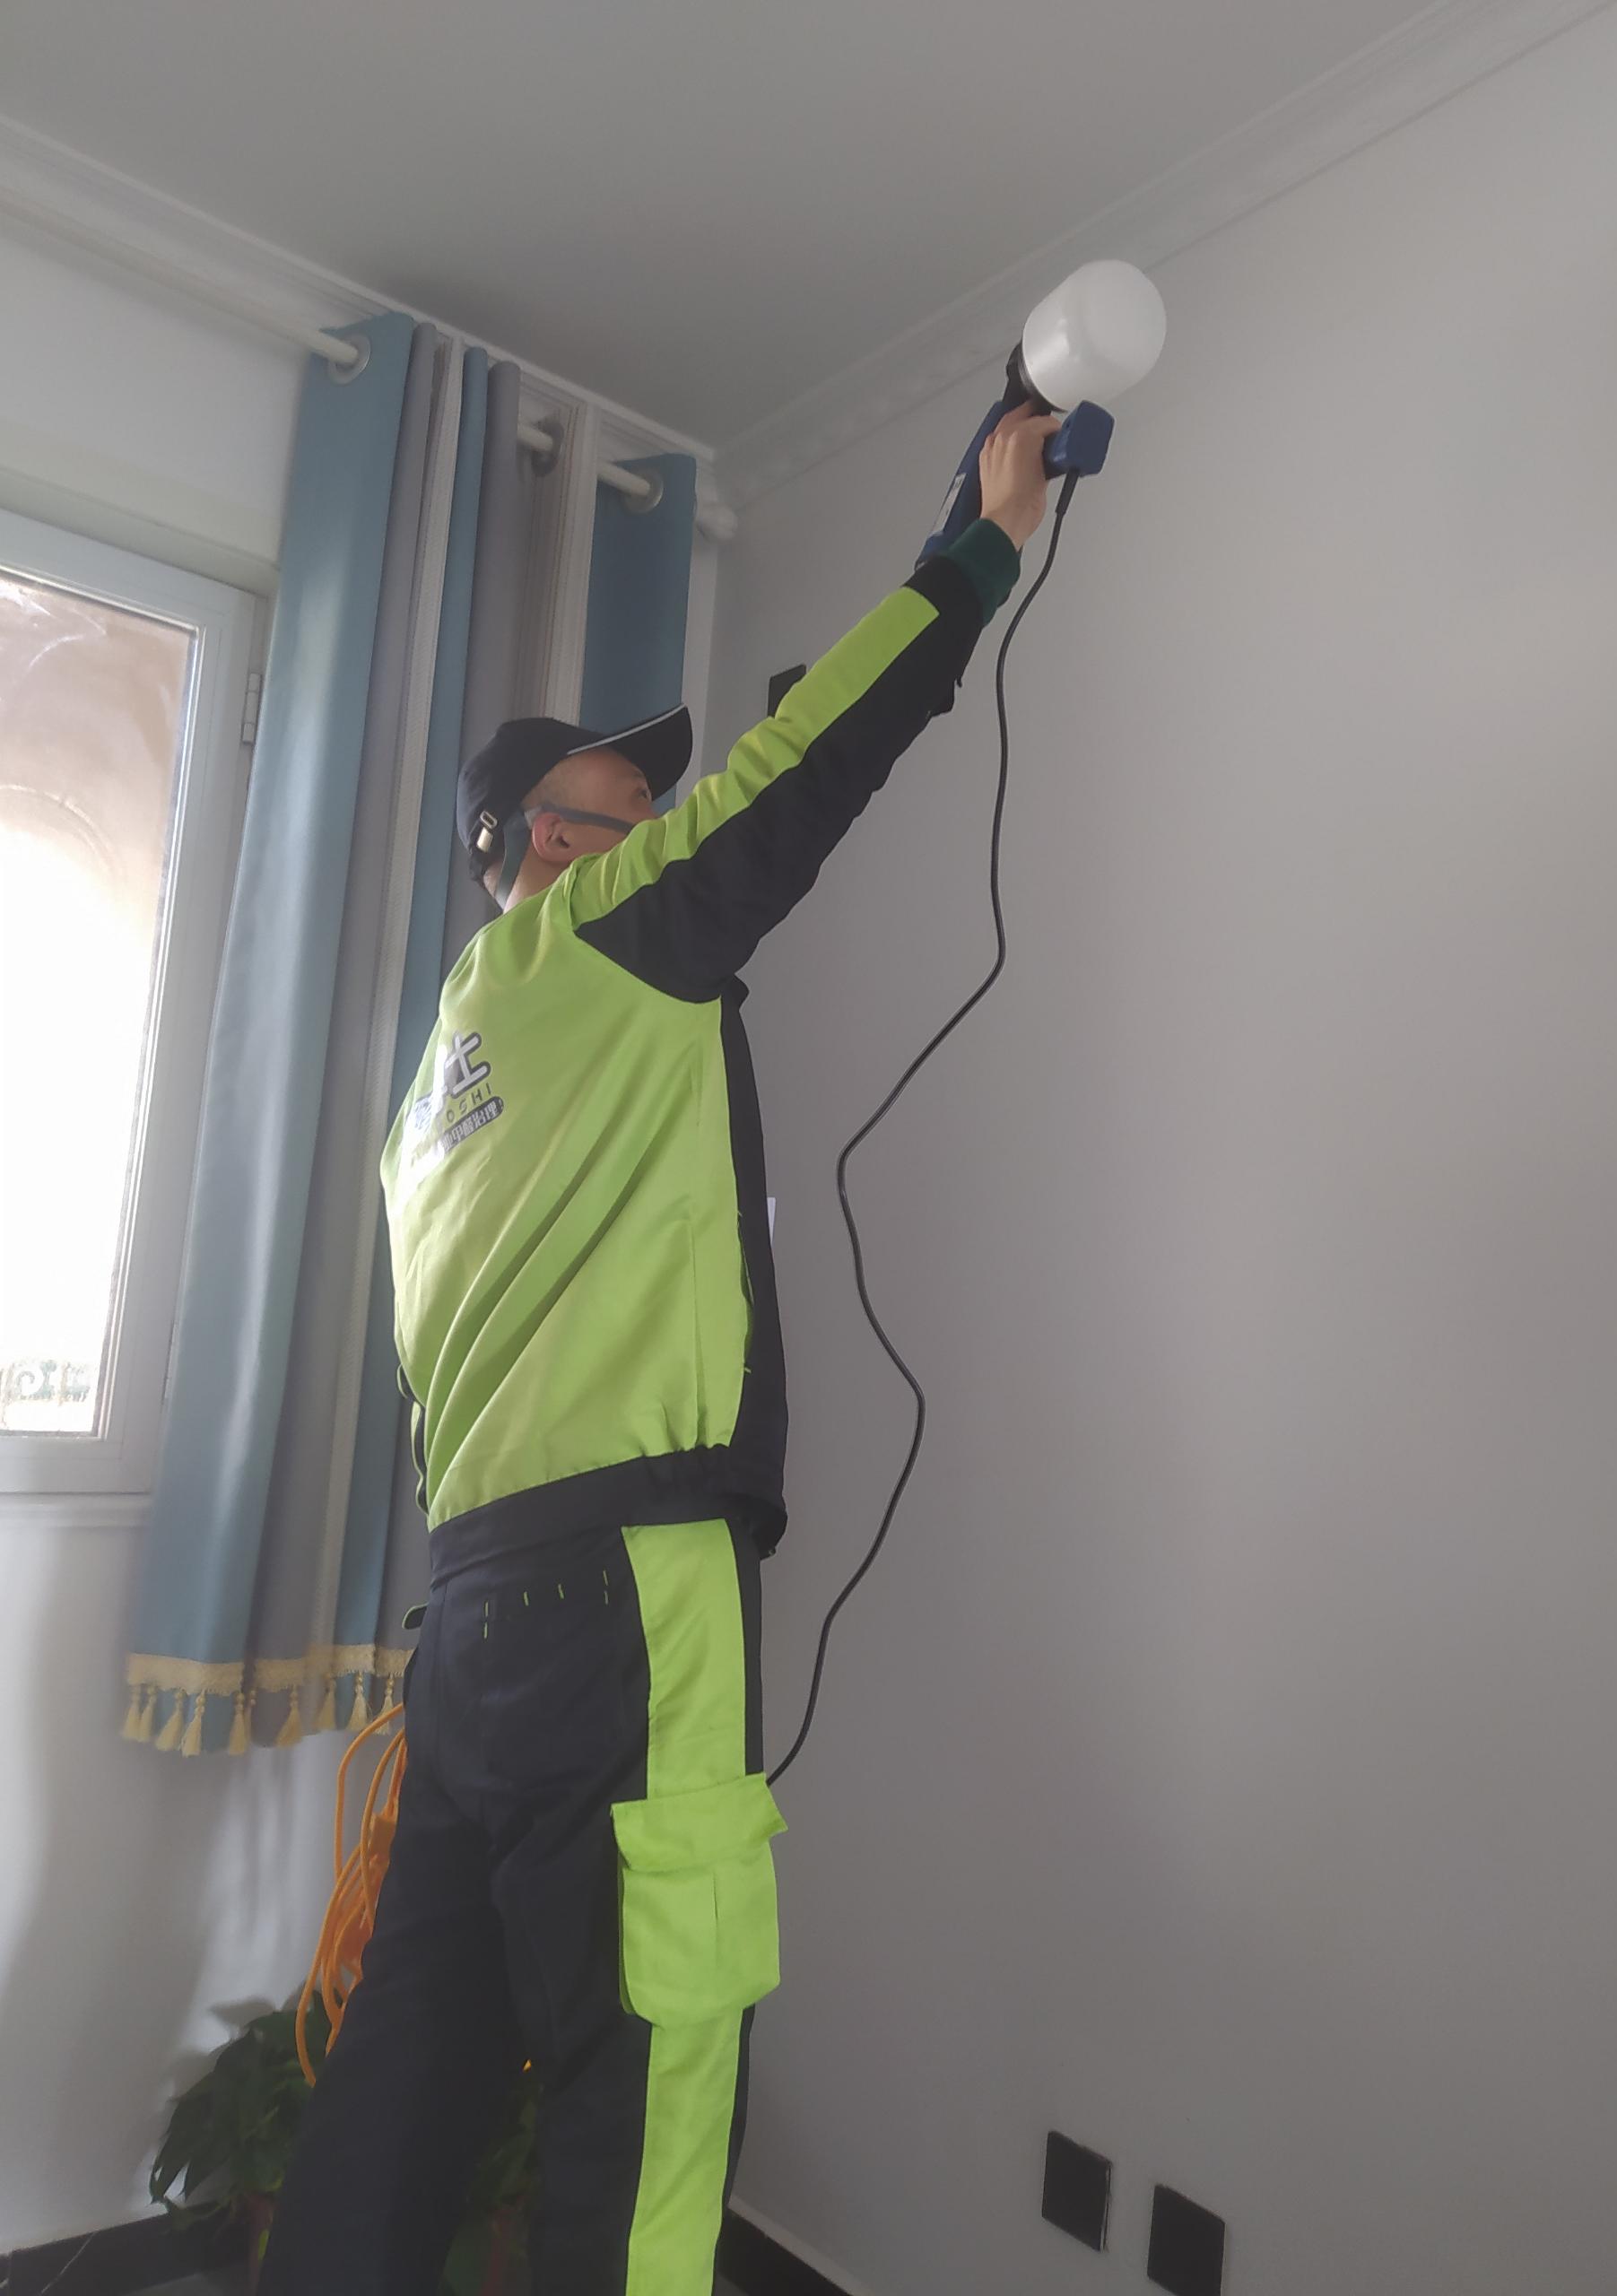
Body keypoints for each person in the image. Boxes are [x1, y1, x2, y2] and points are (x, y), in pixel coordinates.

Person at [257, 403, 1060, 2295]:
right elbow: (796, 773)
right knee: (652, 2099)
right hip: (624, 1599)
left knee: (408, 2083)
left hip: (472, 1632)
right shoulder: (595, 939)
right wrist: (977, 549)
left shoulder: (434, 1098)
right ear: (547, 843)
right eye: (629, 807)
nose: (660, 831)